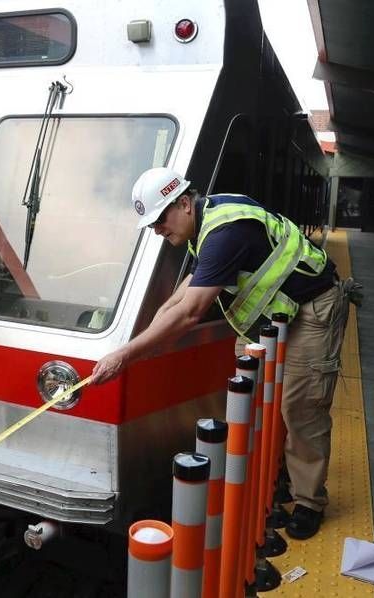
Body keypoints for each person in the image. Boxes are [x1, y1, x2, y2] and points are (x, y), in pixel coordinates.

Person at [91, 166, 354, 540]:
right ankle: (278, 476)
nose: (157, 231)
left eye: (160, 219)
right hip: (273, 317)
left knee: (301, 407)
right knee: (259, 399)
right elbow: (182, 294)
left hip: (313, 309)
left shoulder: (226, 231)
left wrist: (126, 356)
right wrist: (142, 338)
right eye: (151, 225)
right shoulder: (205, 224)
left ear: (184, 203)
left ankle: (309, 501)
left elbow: (191, 311)